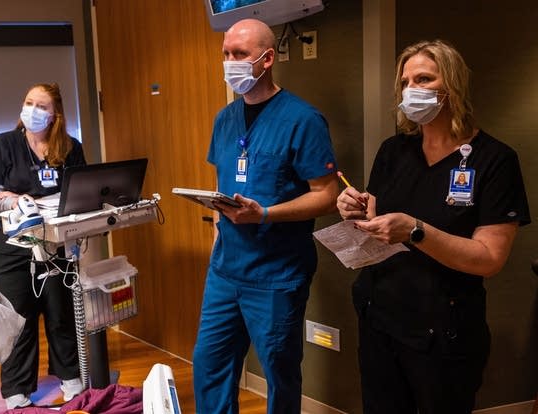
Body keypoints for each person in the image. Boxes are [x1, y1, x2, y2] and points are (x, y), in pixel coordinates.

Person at [336, 40, 530, 414]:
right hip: (381, 317)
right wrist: (355, 209)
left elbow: (489, 259)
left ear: (452, 86)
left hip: (444, 330)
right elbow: (375, 218)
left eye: (424, 79)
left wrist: (415, 230)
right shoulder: (394, 151)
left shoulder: (494, 160)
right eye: (406, 82)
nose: (411, 90)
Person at [192, 18, 340, 413]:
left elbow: (327, 197)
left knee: (280, 372)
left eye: (239, 54)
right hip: (225, 271)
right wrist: (217, 240)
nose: (229, 62)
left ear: (267, 58)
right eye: (225, 54)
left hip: (276, 275)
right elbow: (221, 186)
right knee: (210, 367)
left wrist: (266, 214)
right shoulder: (225, 119)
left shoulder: (302, 119)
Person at [0, 83, 87, 409]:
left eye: (42, 106)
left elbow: (82, 191)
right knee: (17, 317)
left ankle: (70, 378)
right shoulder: (4, 144)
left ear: (55, 115)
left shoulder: (70, 147)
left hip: (55, 243)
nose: (33, 110)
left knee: (61, 313)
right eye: (29, 102)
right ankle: (16, 389)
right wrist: (16, 200)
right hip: (10, 244)